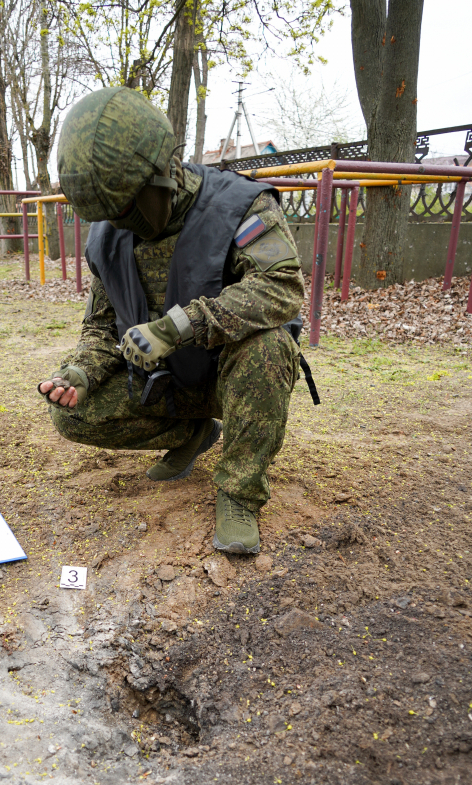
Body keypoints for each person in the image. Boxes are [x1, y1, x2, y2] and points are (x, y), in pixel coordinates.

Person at [39, 86, 306, 555]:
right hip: (163, 385)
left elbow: (281, 288)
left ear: (162, 176)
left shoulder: (240, 207)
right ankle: (193, 433)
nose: (117, 225)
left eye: (123, 210)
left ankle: (238, 492)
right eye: (107, 215)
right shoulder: (107, 235)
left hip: (231, 378)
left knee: (269, 345)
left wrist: (178, 326)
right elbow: (103, 326)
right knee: (71, 413)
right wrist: (81, 371)